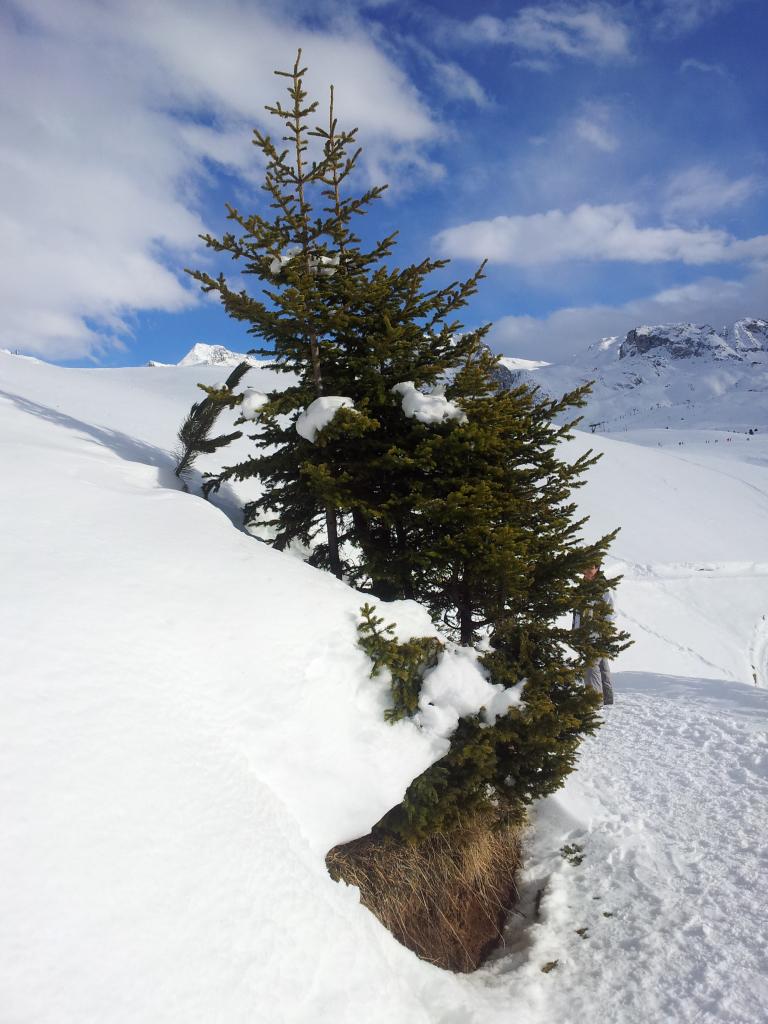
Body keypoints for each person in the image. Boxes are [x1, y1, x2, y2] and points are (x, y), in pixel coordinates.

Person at [573, 565, 615, 706]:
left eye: (590, 567)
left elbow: (611, 612)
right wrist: (576, 630)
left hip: (597, 632)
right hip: (584, 632)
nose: (586, 571)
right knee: (601, 664)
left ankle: (594, 702)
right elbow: (578, 611)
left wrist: (604, 631)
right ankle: (607, 700)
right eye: (585, 567)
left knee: (590, 664)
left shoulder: (604, 588)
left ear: (597, 568)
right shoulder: (583, 586)